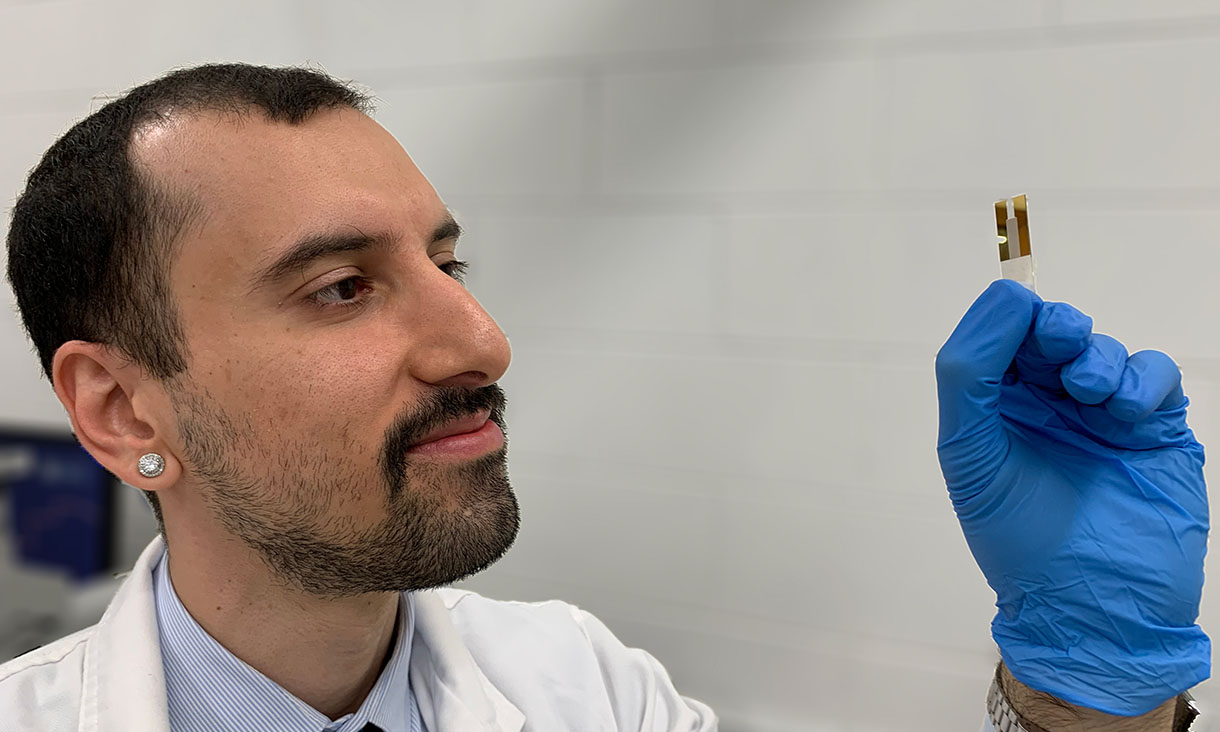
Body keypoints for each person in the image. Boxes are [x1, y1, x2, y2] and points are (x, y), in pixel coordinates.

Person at [0, 63, 1206, 732]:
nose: (480, 338)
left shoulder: (588, 691)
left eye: (448, 264)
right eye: (340, 288)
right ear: (120, 411)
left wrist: (1091, 691)